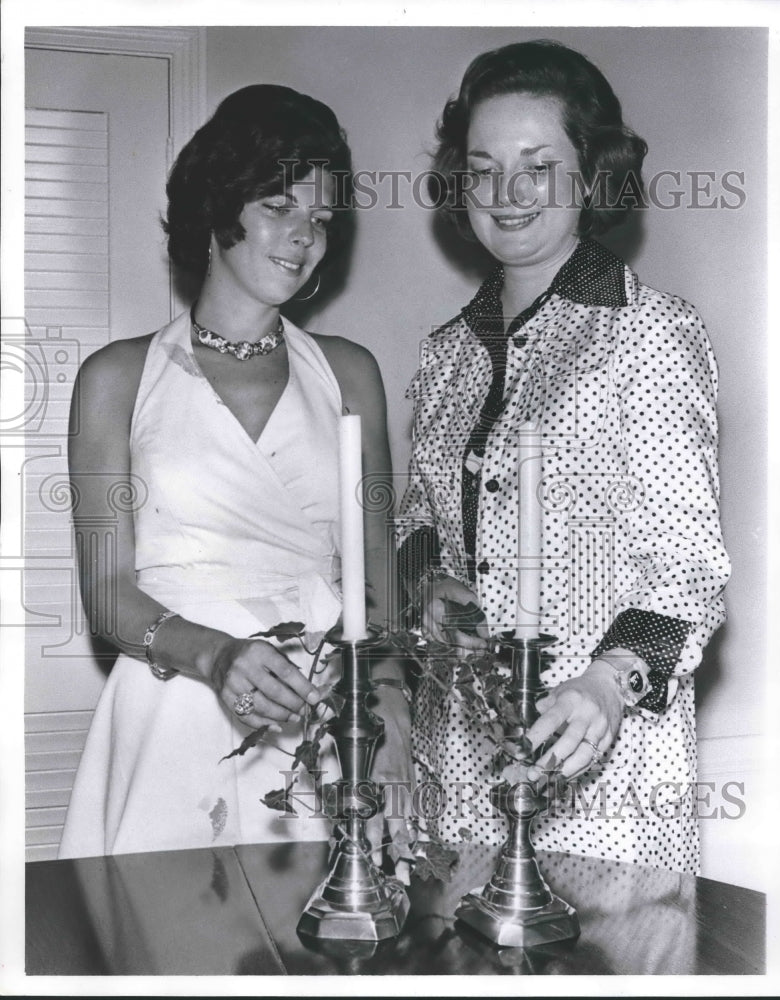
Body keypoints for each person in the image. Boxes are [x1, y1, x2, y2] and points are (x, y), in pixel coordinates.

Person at [396, 40, 730, 872]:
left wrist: (609, 682)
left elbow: (689, 565)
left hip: (600, 765)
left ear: (592, 177)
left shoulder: (647, 331)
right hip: (457, 758)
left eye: (537, 167)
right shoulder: (446, 354)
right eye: (483, 170)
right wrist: (427, 584)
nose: (506, 194)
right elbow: (415, 522)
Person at [59, 85, 410, 859]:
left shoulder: (350, 374)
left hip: (322, 714)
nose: (305, 237)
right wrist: (216, 657)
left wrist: (390, 726)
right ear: (217, 209)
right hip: (173, 707)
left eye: (321, 219)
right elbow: (107, 593)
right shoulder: (116, 378)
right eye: (280, 207)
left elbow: (378, 584)